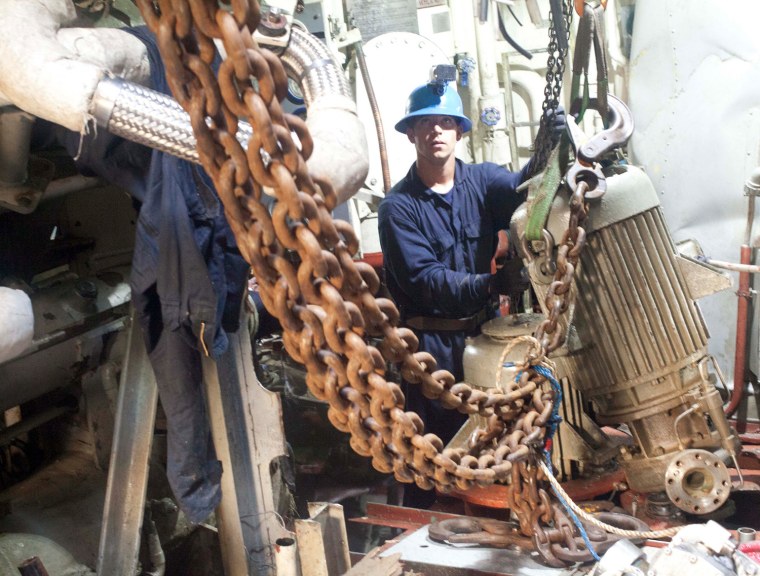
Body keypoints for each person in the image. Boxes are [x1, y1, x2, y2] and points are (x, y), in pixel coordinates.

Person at [378, 75, 564, 509]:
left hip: (484, 338)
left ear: (460, 130)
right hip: (431, 350)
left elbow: (527, 192)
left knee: (494, 444)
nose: (435, 131)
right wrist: (492, 284)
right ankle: (430, 538)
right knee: (438, 457)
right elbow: (426, 280)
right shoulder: (398, 208)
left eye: (445, 122)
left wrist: (547, 147)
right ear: (410, 133)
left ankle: (497, 522)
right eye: (425, 123)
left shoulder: (482, 183)